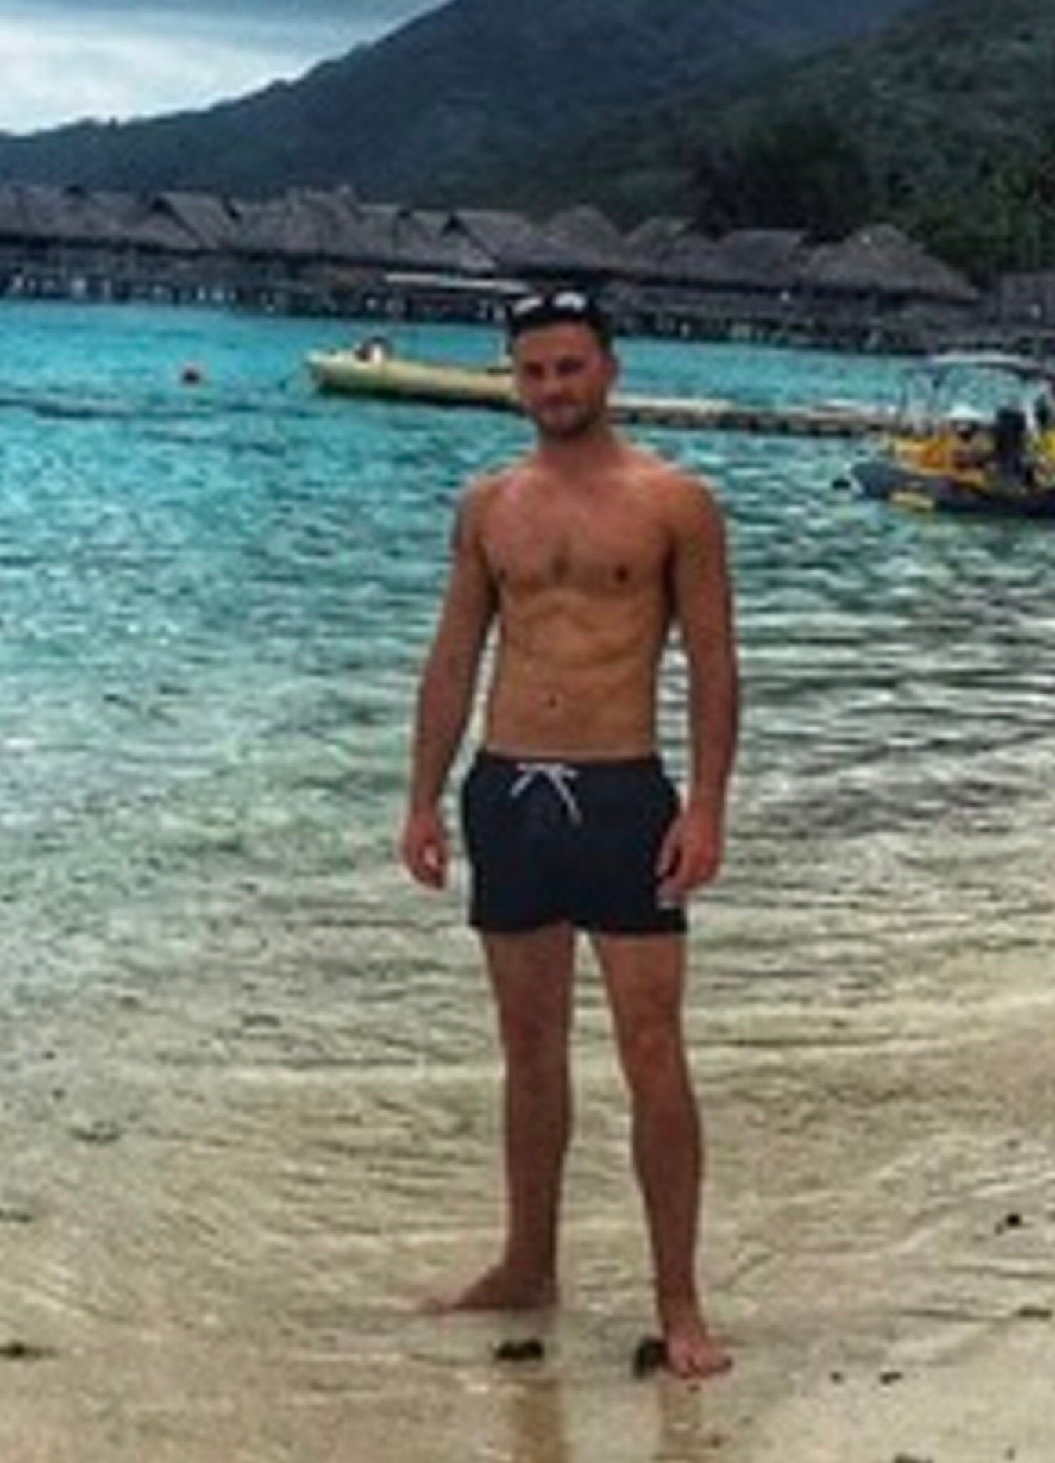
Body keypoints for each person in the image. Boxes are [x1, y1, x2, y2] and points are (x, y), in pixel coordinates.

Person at [398, 286, 741, 1381]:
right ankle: (526, 1265)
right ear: (515, 379)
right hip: (507, 793)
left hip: (623, 798)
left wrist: (705, 804)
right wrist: (422, 795)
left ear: (609, 371)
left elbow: (715, 666)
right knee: (528, 1052)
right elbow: (454, 656)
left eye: (570, 367)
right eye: (533, 370)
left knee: (652, 1051)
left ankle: (678, 1300)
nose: (552, 387)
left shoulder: (673, 501)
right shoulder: (487, 503)